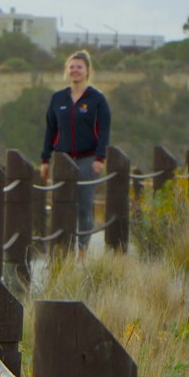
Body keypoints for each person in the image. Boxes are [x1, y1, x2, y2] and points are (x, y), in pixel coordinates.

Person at [40, 49, 111, 252]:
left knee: (84, 205)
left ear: (87, 70)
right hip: (62, 160)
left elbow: (104, 130)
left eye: (79, 67)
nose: (75, 70)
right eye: (71, 67)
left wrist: (100, 157)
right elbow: (50, 130)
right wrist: (45, 159)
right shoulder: (58, 99)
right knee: (61, 204)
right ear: (66, 71)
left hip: (88, 159)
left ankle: (81, 250)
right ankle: (60, 248)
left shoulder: (97, 99)